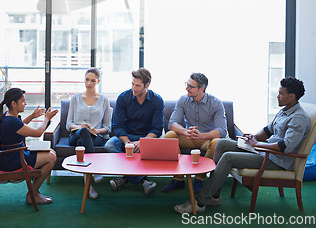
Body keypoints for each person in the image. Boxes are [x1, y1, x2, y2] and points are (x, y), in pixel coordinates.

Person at [174, 76, 311, 214]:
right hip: (264, 152)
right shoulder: (284, 111)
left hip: (275, 160)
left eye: (281, 93)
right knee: (221, 143)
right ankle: (214, 196)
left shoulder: (298, 118)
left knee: (228, 157)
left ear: (292, 96)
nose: (277, 96)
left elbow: (285, 146)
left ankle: (200, 202)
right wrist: (253, 137)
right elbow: (268, 130)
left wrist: (258, 144)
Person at [162, 72, 228, 194]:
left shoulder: (216, 103)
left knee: (217, 142)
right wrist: (185, 131)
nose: (186, 88)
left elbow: (222, 131)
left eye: (190, 86)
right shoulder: (183, 100)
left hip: (206, 138)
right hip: (189, 136)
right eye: (187, 84)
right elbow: (172, 123)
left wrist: (202, 135)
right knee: (169, 135)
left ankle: (199, 178)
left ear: (201, 89)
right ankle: (178, 179)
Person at [104, 68, 164, 195]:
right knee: (109, 144)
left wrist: (143, 142)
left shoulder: (157, 100)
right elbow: (118, 125)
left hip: (148, 137)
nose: (134, 88)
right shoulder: (123, 97)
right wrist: (128, 143)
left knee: (163, 144)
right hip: (127, 136)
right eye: (132, 84)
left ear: (147, 85)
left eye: (137, 85)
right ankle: (143, 181)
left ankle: (124, 179)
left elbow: (157, 128)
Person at [0, 87, 58, 205]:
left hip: (12, 155)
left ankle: (35, 192)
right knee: (51, 157)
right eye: (23, 101)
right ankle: (32, 195)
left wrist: (33, 116)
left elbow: (20, 126)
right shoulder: (11, 121)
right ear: (14, 103)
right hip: (12, 160)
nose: (25, 104)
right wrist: (46, 119)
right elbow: (38, 132)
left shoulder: (9, 116)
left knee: (51, 153)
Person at [66, 67, 111, 199]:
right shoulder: (75, 98)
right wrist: (81, 127)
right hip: (75, 135)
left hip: (95, 137)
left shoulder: (104, 100)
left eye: (92, 80)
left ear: (98, 82)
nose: (89, 83)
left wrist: (95, 130)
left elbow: (107, 127)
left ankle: (88, 185)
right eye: (86, 80)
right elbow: (69, 124)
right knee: (83, 132)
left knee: (83, 142)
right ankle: (94, 170)